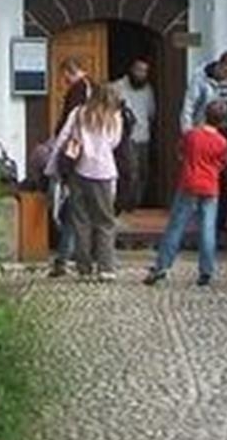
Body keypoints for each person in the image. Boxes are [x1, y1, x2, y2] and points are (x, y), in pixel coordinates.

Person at [144, 99, 227, 286]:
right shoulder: (222, 142)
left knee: (176, 226)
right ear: (222, 121)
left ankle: (162, 266)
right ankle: (206, 271)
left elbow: (180, 153)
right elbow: (223, 163)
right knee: (207, 229)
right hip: (210, 186)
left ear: (205, 115)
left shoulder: (192, 135)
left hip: (189, 183)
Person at [48, 83, 127, 279]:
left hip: (80, 169)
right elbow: (114, 142)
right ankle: (106, 267)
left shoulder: (79, 113)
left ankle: (84, 268)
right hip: (104, 171)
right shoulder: (114, 116)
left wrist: (53, 167)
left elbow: (63, 137)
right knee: (105, 222)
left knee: (80, 221)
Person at [46, 62, 91, 276]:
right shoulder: (94, 88)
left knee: (73, 211)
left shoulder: (78, 93)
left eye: (64, 77)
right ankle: (88, 259)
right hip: (99, 165)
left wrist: (57, 160)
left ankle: (67, 258)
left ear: (69, 72)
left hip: (77, 159)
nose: (63, 82)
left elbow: (66, 130)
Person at [112, 53, 157, 210]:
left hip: (144, 136)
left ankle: (135, 205)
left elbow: (151, 113)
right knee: (131, 172)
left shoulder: (148, 90)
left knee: (143, 173)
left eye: (144, 71)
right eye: (138, 69)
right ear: (131, 69)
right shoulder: (117, 87)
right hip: (125, 137)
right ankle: (125, 206)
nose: (141, 74)